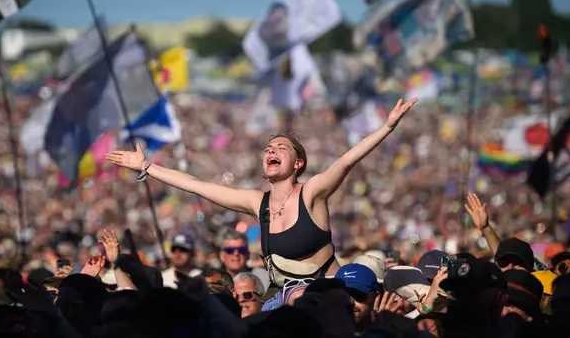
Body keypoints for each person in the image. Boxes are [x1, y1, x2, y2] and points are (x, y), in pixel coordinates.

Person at [106, 98, 417, 285]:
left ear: (298, 164)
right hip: (282, 301)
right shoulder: (258, 203)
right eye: (269, 148)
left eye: (281, 148)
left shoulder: (312, 193)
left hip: (329, 295)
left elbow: (348, 159)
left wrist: (387, 127)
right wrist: (147, 166)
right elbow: (197, 185)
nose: (272, 150)